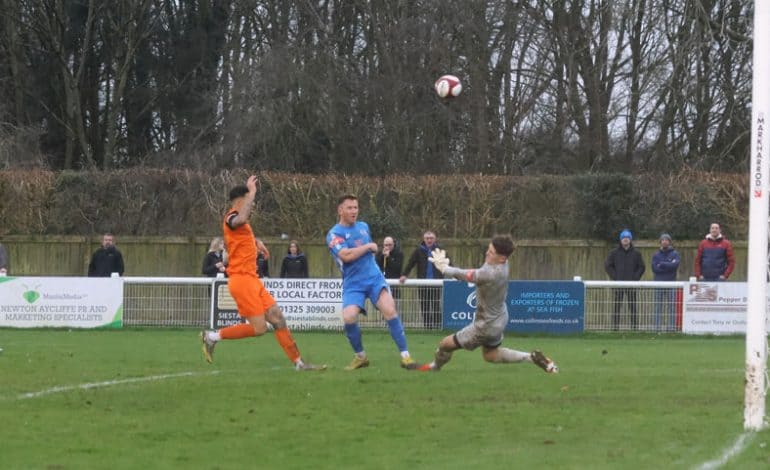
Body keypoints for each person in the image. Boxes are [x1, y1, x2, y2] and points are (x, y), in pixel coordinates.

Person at [200, 175, 324, 371]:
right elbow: (240, 219)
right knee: (259, 329)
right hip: (241, 281)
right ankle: (212, 336)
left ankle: (299, 363)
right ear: (242, 199)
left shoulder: (241, 225)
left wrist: (256, 244)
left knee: (277, 318)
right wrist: (253, 192)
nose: (253, 204)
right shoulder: (231, 217)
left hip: (252, 280)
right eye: (250, 200)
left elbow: (240, 240)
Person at [417, 235, 558, 373]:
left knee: (445, 344)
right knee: (490, 355)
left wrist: (445, 268)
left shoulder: (491, 273)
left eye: (491, 252)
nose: (487, 253)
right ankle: (530, 357)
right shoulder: (503, 263)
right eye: (488, 249)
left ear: (502, 258)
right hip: (499, 318)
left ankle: (435, 367)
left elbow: (467, 275)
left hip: (485, 325)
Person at [327, 194, 418, 370]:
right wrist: (368, 247)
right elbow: (345, 256)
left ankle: (406, 356)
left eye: (356, 207)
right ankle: (361, 357)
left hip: (374, 278)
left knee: (390, 310)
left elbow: (366, 255)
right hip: (353, 283)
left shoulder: (363, 227)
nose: (354, 211)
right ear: (340, 210)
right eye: (349, 208)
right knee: (349, 317)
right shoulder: (334, 234)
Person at [400, 231, 446, 329]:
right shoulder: (418, 250)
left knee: (436, 305)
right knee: (424, 305)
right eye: (427, 238)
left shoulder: (440, 250)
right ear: (424, 239)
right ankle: (427, 328)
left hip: (436, 283)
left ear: (435, 239)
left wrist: (455, 275)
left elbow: (448, 263)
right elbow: (410, 263)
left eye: (431, 238)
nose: (429, 240)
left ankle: (438, 327)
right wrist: (404, 275)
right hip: (423, 283)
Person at [604, 229, 645, 330]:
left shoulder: (636, 253)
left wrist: (635, 278)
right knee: (617, 307)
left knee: (633, 307)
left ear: (630, 240)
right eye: (623, 238)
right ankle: (615, 328)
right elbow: (608, 266)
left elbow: (641, 267)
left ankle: (635, 328)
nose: (625, 240)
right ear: (620, 240)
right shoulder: (614, 253)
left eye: (627, 238)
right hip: (618, 284)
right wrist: (615, 277)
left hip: (632, 285)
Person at [651, 233, 680, 332]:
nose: (664, 241)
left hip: (671, 283)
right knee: (658, 306)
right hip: (658, 283)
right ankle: (657, 328)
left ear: (669, 242)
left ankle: (671, 328)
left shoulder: (675, 254)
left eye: (666, 240)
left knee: (672, 306)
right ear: (660, 242)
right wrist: (668, 265)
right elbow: (654, 268)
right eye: (663, 240)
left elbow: (675, 266)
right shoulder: (656, 255)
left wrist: (662, 264)